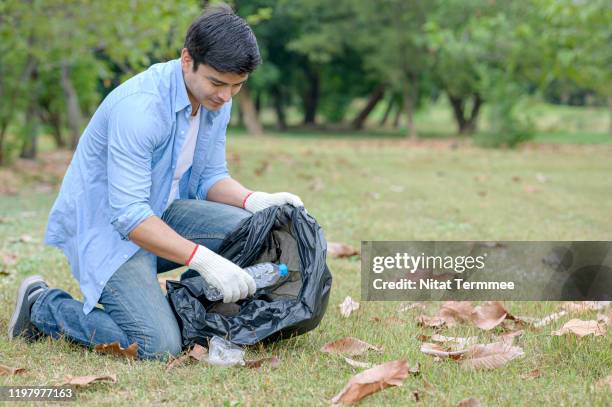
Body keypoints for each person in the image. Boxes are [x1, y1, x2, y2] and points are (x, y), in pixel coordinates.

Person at [7, 4, 305, 361]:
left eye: (237, 86)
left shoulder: (214, 102)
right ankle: (44, 306)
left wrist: (256, 200)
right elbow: (130, 217)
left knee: (257, 230)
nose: (226, 96)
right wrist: (204, 260)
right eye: (217, 83)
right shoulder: (141, 109)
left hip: (160, 213)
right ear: (186, 60)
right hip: (110, 234)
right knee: (158, 346)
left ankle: (197, 312)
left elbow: (210, 177)